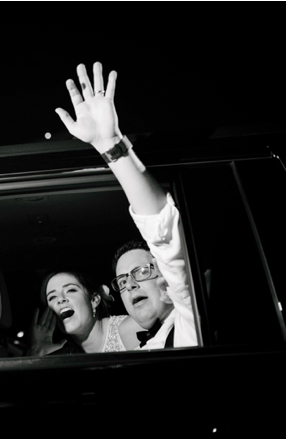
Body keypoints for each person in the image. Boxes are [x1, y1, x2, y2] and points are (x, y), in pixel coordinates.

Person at [28, 62, 197, 353]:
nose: (129, 285)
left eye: (142, 272)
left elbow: (163, 230)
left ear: (168, 283)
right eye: (122, 279)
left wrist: (111, 144)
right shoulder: (154, 345)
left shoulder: (190, 324)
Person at [25, 270, 144, 355]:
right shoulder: (62, 354)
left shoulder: (129, 329)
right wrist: (36, 351)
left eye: (70, 290)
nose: (60, 299)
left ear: (94, 300)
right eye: (52, 297)